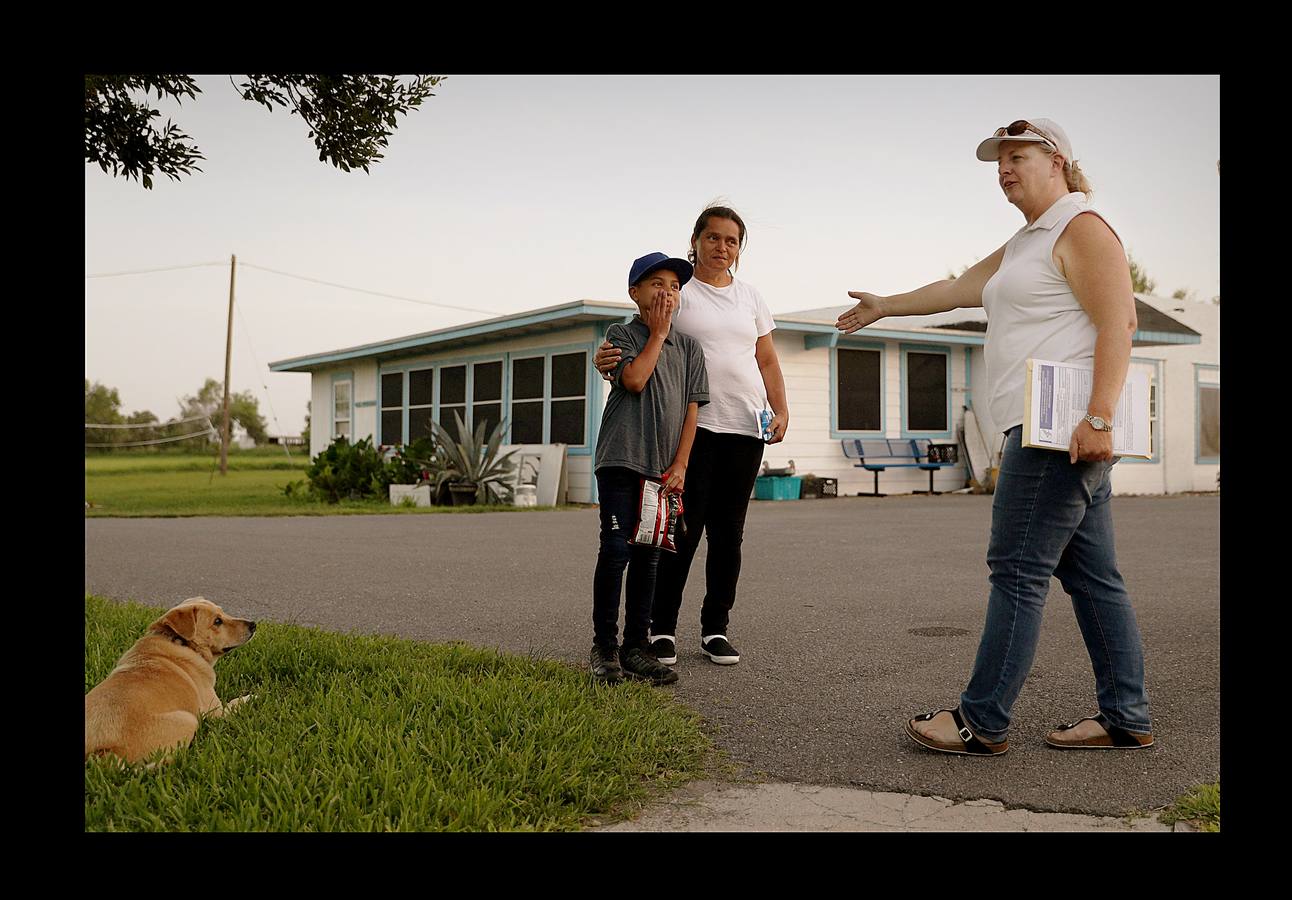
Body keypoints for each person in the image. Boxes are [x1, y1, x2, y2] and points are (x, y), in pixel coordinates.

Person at [838, 119, 1153, 755]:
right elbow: (957, 289)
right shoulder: (1025, 242)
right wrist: (884, 305)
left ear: (1058, 160)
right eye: (998, 162)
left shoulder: (1082, 229)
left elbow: (1119, 322)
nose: (1004, 169)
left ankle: (981, 721)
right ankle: (1125, 714)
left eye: (1017, 156)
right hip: (1048, 431)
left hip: (1055, 435)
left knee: (1016, 571)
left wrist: (1098, 417)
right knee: (1094, 579)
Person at [595, 206, 788, 667]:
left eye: (732, 241)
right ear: (696, 240)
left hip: (745, 426)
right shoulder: (680, 293)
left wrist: (780, 409)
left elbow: (767, 359)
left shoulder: (751, 297)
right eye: (714, 237)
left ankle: (715, 629)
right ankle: (661, 631)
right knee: (682, 531)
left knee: (730, 536)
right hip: (692, 429)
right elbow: (644, 333)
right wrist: (606, 357)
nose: (723, 247)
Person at [589, 252, 709, 686]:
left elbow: (692, 410)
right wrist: (657, 335)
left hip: (662, 470)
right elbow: (635, 380)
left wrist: (681, 464)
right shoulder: (621, 333)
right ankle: (604, 646)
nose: (668, 292)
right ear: (634, 292)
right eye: (657, 283)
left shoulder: (691, 348)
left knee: (648, 557)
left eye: (675, 287)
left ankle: (636, 647)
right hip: (621, 459)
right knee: (617, 549)